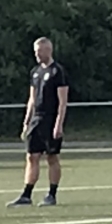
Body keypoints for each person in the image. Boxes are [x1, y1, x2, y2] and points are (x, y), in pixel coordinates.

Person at [9, 37, 69, 207]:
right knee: (31, 156)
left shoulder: (58, 72)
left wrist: (59, 124)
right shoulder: (35, 72)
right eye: (35, 51)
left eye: (39, 51)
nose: (36, 55)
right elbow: (32, 98)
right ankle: (26, 195)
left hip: (51, 119)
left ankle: (52, 194)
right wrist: (26, 121)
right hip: (37, 119)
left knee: (52, 157)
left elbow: (63, 101)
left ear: (48, 50)